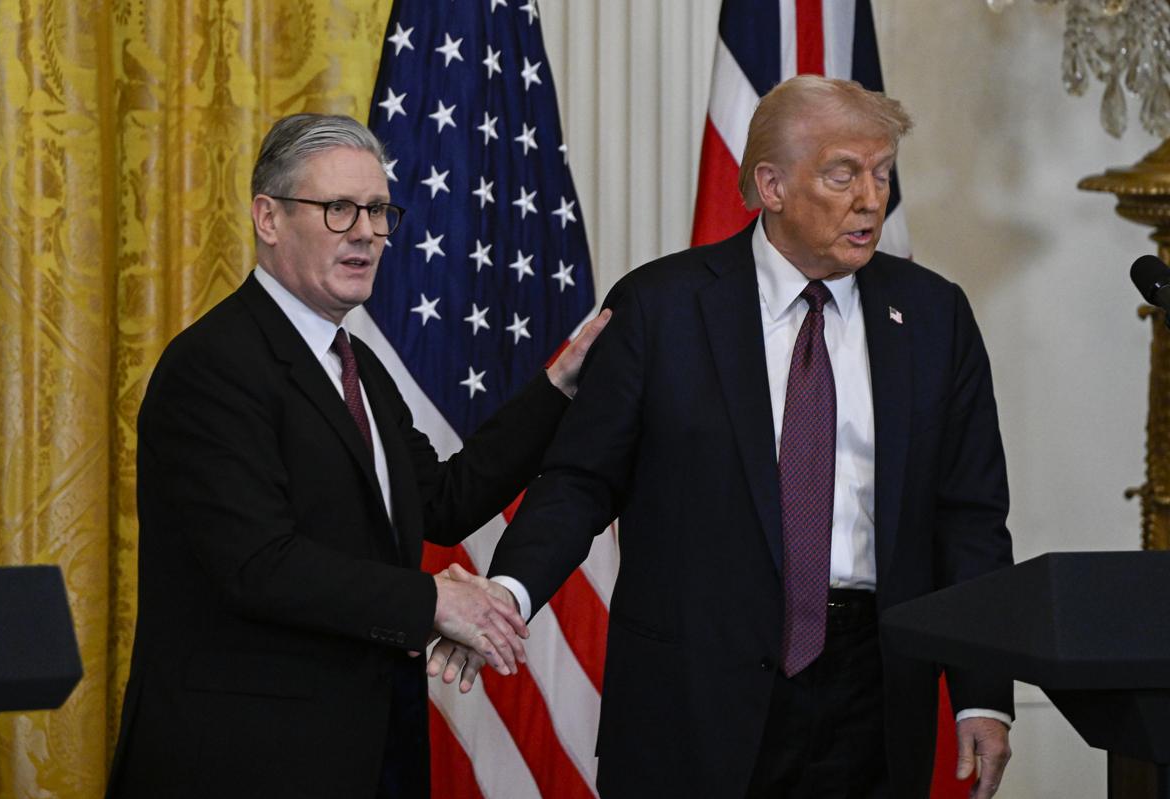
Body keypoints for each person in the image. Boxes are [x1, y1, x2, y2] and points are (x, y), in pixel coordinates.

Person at [430, 75, 1015, 798]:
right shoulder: (662, 307)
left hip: (872, 692)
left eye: (883, 172)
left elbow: (970, 517)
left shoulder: (934, 316)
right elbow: (580, 482)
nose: (872, 199)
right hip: (693, 692)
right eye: (843, 174)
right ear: (771, 185)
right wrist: (509, 594)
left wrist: (983, 693)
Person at [105, 113, 609, 799]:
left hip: (370, 750)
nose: (367, 232)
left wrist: (557, 388)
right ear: (268, 218)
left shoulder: (358, 365)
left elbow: (443, 500)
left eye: (377, 211)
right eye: (339, 209)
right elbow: (258, 564)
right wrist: (434, 599)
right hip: (241, 759)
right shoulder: (212, 365)